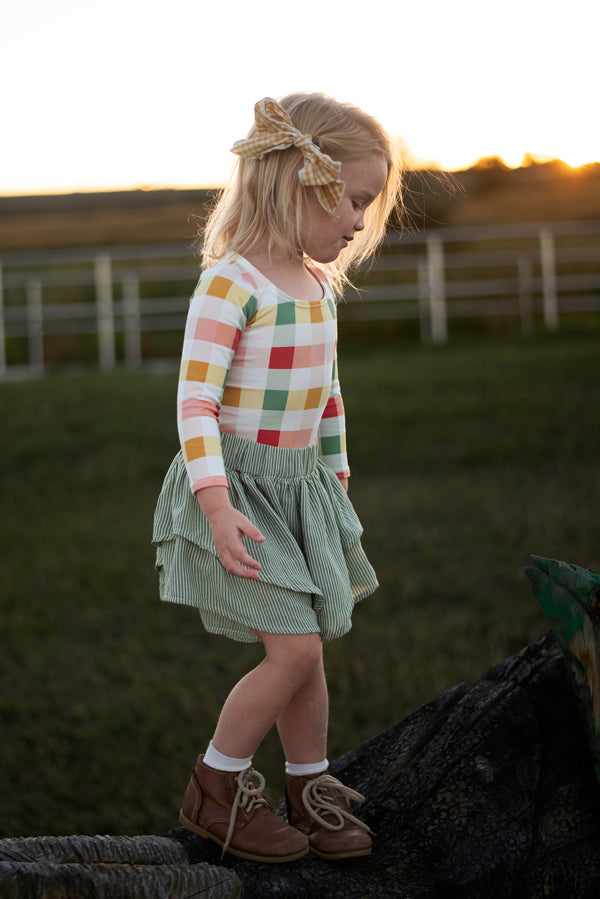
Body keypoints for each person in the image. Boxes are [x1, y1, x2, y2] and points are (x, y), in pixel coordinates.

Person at [153, 92, 402, 863]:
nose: (359, 222)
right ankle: (215, 787)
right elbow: (195, 399)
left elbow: (327, 394)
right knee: (291, 650)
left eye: (366, 204)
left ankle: (309, 788)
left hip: (300, 491)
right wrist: (216, 503)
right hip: (237, 490)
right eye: (352, 201)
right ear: (302, 182)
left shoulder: (319, 285)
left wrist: (336, 476)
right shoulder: (232, 284)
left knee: (312, 649)